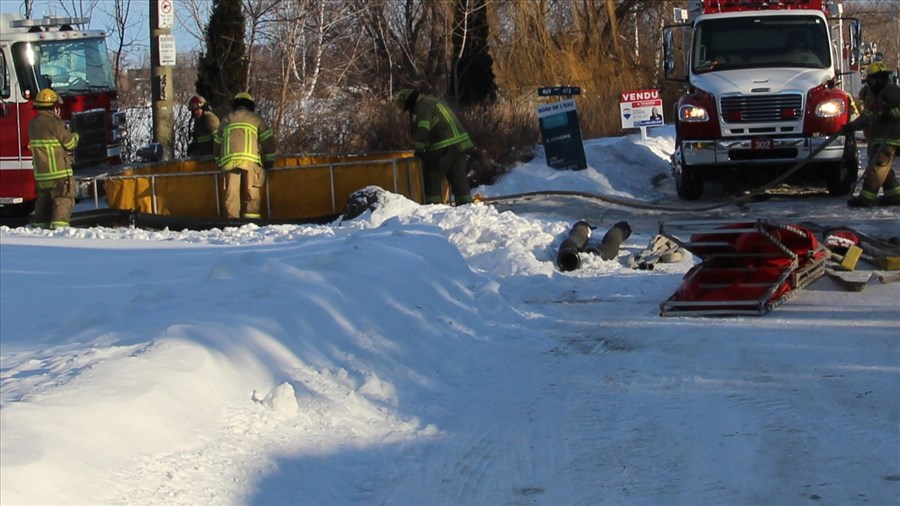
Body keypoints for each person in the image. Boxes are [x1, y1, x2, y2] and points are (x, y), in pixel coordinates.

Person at [392, 88, 475, 205]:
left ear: (409, 103)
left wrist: (419, 148)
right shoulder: (433, 101)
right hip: (460, 144)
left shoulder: (423, 106)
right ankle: (466, 207)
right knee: (459, 179)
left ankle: (433, 208)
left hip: (444, 145)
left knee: (433, 177)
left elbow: (423, 128)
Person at [844, 62, 900, 207]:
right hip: (877, 137)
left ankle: (866, 197)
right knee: (883, 168)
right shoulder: (871, 95)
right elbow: (867, 116)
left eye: (872, 80)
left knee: (877, 166)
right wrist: (851, 126)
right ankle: (894, 195)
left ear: (880, 79)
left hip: (892, 137)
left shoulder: (893, 92)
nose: (869, 83)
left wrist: (892, 114)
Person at [213, 92, 276, 219]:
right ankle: (251, 223)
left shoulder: (226, 119)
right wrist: (269, 162)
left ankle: (232, 224)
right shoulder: (256, 119)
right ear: (251, 105)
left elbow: (217, 144)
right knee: (252, 194)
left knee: (231, 196)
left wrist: (218, 161)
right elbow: (267, 141)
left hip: (229, 164)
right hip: (251, 163)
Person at [27, 88, 79, 229]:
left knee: (43, 202)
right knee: (63, 200)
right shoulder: (56, 124)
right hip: (59, 174)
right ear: (53, 107)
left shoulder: (32, 125)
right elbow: (70, 143)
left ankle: (41, 229)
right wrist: (75, 135)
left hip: (41, 175)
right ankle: (59, 233)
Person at [186, 95, 219, 160]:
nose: (195, 112)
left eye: (197, 109)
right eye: (194, 111)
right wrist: (194, 144)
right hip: (202, 153)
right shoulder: (198, 120)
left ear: (203, 108)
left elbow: (218, 137)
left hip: (211, 155)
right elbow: (200, 137)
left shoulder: (209, 118)